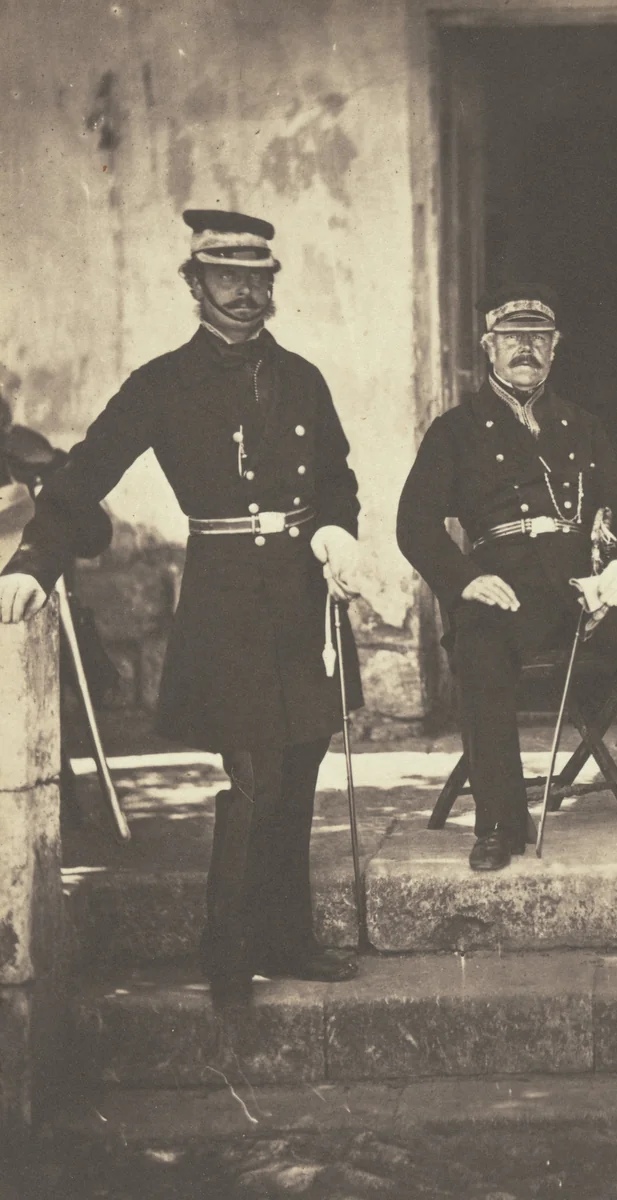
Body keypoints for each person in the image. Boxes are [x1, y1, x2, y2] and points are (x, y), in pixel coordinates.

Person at [0, 210, 365, 1002]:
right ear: (194, 285)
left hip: (301, 597)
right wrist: (33, 561)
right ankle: (227, 953)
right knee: (255, 774)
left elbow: (336, 478)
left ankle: (287, 937)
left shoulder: (301, 376)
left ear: (272, 286)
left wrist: (338, 530)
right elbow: (79, 478)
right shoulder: (161, 384)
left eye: (258, 279)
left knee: (297, 764)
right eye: (226, 278)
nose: (245, 294)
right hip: (227, 600)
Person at [397, 284, 617, 871]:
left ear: (555, 349)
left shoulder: (582, 425)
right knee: (479, 643)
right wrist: (464, 581)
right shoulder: (456, 429)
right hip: (507, 588)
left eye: (538, 339)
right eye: (512, 338)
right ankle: (497, 824)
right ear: (488, 348)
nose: (526, 349)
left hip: (582, 588)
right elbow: (414, 524)